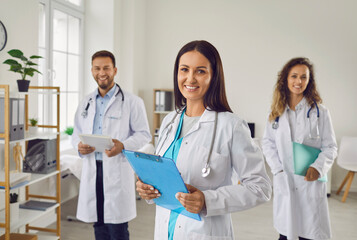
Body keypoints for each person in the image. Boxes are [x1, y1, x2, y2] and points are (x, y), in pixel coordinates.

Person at [136, 40, 272, 239]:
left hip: (205, 233)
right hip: (165, 230)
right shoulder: (169, 122)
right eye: (184, 70)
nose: (190, 78)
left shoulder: (231, 126)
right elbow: (166, 177)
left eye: (200, 71)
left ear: (213, 76)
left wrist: (208, 200)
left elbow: (260, 187)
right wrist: (148, 188)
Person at [72, 50, 151, 240]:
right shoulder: (86, 103)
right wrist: (79, 147)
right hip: (93, 170)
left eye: (106, 68)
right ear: (92, 70)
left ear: (114, 70)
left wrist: (123, 145)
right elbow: (76, 133)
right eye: (97, 68)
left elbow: (144, 134)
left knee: (117, 230)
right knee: (98, 225)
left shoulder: (132, 102)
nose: (102, 73)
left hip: (116, 171)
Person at [262, 57, 338, 240]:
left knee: (310, 233)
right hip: (285, 181)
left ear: (309, 81)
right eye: (294, 76)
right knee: (286, 232)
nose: (298, 81)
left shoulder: (320, 112)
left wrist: (318, 167)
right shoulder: (276, 113)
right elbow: (267, 143)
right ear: (285, 79)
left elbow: (331, 147)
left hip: (310, 183)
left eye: (304, 77)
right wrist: (278, 169)